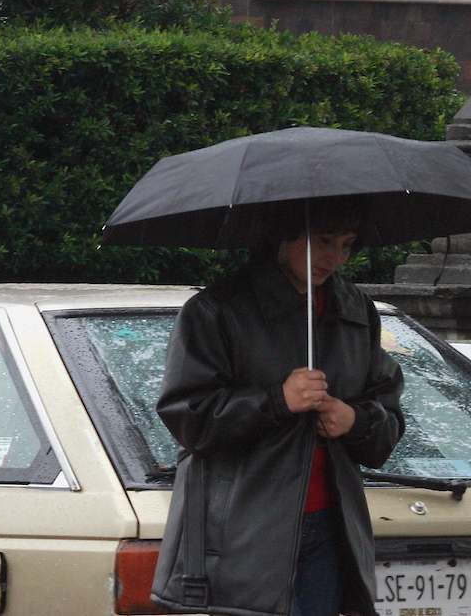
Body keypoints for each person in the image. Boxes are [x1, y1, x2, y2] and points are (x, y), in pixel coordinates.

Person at [151, 198, 405, 616]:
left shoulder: (356, 312)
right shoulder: (217, 311)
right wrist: (276, 401)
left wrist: (355, 420)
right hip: (242, 540)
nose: (335, 258)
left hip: (329, 529)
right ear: (284, 236)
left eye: (347, 244)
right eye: (323, 241)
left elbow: (387, 419)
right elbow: (188, 418)